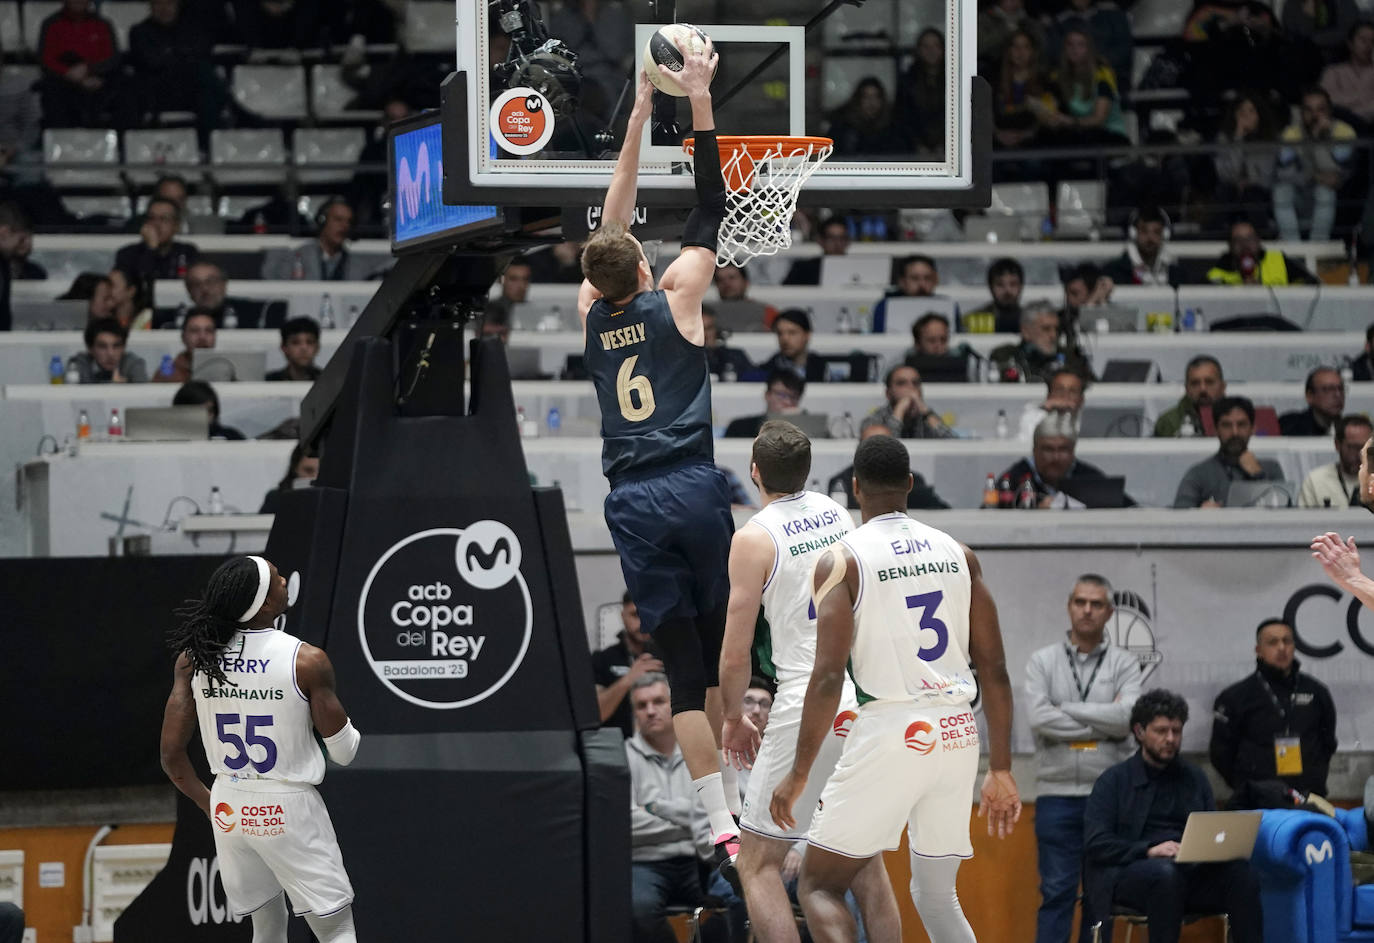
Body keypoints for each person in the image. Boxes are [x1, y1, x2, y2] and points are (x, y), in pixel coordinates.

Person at [576, 44, 742, 884]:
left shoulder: (587, 313)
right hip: (688, 480)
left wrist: (638, 119)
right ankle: (746, 785)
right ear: (644, 266)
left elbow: (612, 222)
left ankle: (719, 821)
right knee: (726, 645)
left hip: (629, 500)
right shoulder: (676, 292)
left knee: (679, 666)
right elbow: (713, 202)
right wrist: (699, 101)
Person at [770, 433, 1021, 943]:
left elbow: (825, 678)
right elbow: (993, 669)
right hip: (957, 733)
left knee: (818, 883)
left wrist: (798, 774)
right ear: (909, 485)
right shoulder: (959, 553)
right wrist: (1001, 768)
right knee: (935, 895)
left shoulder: (842, 560)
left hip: (893, 730)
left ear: (855, 488)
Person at [718, 420, 901, 943]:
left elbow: (735, 653)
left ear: (755, 472)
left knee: (756, 864)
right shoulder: (834, 512)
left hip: (806, 699)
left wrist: (733, 717)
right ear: (808, 470)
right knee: (862, 860)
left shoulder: (753, 539)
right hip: (859, 698)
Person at [159, 556, 360, 943]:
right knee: (337, 929)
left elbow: (171, 755)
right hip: (287, 803)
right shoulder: (306, 660)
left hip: (229, 803)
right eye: (277, 577)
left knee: (266, 928)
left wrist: (210, 804)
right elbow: (345, 752)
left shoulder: (195, 658)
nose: (285, 579)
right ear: (264, 604)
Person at [1082, 689, 1263, 943]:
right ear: (1139, 732)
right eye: (1161, 731)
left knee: (1242, 875)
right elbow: (1096, 843)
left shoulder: (1194, 778)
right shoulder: (1114, 781)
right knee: (1165, 876)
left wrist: (1216, 849)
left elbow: (1210, 831)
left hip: (1186, 871)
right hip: (1130, 874)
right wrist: (1148, 850)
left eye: (1176, 731)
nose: (1170, 739)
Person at [1025, 575, 1142, 943]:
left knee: (1101, 895)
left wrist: (1068, 709)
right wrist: (1102, 718)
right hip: (1056, 795)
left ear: (1109, 612)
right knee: (1057, 892)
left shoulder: (1124, 663)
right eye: (1080, 602)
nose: (1087, 610)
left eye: (1096, 604)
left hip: (1108, 797)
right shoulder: (1042, 661)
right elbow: (1039, 718)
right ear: (1069, 606)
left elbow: (1127, 720)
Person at [626, 672, 740, 943]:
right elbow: (625, 824)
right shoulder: (623, 755)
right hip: (646, 862)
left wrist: (655, 808)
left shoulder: (698, 750)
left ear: (673, 703)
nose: (650, 711)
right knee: (639, 909)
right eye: (642, 706)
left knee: (739, 896)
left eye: (658, 702)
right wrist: (693, 817)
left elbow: (716, 814)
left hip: (699, 860)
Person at [1210, 619, 1338, 810]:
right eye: (1272, 642)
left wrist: (1314, 775)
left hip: (1309, 799)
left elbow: (1328, 742)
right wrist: (1249, 786)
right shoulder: (1235, 697)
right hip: (1258, 803)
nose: (1281, 647)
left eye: (1287, 641)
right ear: (1258, 650)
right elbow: (1221, 753)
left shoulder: (1317, 692)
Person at [127, 0, 225, 140]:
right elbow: (151, 61)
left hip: (189, 89)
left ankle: (210, 142)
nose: (164, 8)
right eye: (159, 4)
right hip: (157, 90)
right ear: (151, 6)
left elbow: (203, 51)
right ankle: (217, 132)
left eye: (169, 3)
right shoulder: (139, 31)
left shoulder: (190, 29)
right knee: (204, 75)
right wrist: (183, 55)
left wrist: (172, 53)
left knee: (206, 92)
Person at [999, 410, 1134, 508]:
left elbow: (1133, 510)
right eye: (1048, 449)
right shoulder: (1012, 480)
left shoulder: (1088, 477)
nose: (1056, 457)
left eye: (1063, 450)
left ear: (1073, 451)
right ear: (1034, 450)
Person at [1274, 86, 1357, 243]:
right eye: (1309, 110)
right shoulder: (1291, 134)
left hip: (1333, 202)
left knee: (1325, 191)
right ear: (1301, 112)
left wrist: (1318, 140)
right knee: (1281, 191)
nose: (1315, 115)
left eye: (1321, 109)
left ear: (1330, 111)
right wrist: (1314, 174)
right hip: (1300, 199)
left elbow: (1336, 175)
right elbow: (1283, 173)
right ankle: (1293, 249)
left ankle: (1318, 248)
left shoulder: (1344, 132)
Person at [1172, 396, 1285, 507]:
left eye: (1241, 425)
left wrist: (1258, 474)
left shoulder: (1271, 469)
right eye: (1227, 425)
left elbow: (1284, 512)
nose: (1235, 432)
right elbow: (1180, 512)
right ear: (1215, 430)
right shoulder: (1198, 473)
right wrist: (1200, 513)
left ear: (1253, 429)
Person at [37, 0, 124, 128]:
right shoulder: (50, 23)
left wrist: (91, 70)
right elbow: (45, 60)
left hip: (98, 79)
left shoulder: (103, 24)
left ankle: (119, 141)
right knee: (51, 91)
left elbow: (113, 58)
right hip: (63, 80)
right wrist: (67, 73)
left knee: (124, 88)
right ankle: (60, 141)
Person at [591, 591, 665, 739]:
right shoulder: (602, 660)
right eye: (636, 615)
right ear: (623, 616)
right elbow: (595, 714)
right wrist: (628, 679)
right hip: (620, 749)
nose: (644, 622)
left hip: (672, 749)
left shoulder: (673, 657)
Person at [827, 425, 949, 511]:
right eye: (871, 446)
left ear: (909, 483)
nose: (878, 453)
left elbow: (939, 511)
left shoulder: (911, 479)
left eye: (885, 445)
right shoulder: (841, 482)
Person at [1043, 27, 1129, 148]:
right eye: (1070, 45)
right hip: (1079, 134)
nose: (1075, 50)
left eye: (1080, 45)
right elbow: (1052, 109)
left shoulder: (1102, 75)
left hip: (1108, 134)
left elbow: (1099, 119)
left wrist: (1069, 121)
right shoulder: (1057, 78)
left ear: (1089, 49)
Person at [1212, 94, 1279, 219]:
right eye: (1241, 111)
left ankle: (1263, 235)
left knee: (1252, 195)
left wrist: (1246, 182)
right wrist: (1238, 137)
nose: (1246, 116)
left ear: (1259, 115)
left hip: (1259, 192)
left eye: (1251, 111)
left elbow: (1265, 177)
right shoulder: (1224, 138)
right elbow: (1225, 174)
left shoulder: (1268, 140)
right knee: (1225, 192)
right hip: (1232, 189)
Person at [267, 200, 366, 281]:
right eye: (338, 219)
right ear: (322, 221)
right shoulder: (299, 256)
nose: (345, 226)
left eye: (349, 222)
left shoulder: (356, 264)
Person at [157, 261, 273, 329]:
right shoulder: (176, 322)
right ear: (189, 291)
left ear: (224, 285)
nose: (204, 289)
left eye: (211, 281)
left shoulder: (253, 313)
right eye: (196, 284)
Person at [989, 305, 1084, 385]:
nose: (1053, 335)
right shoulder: (1004, 355)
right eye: (1046, 329)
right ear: (1026, 331)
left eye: (1056, 329)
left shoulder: (1070, 357)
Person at [1206, 218, 1318, 286]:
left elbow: (1311, 282)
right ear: (1230, 245)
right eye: (1238, 240)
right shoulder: (1219, 269)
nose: (1245, 245)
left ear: (1258, 241)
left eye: (1250, 239)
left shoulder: (1278, 259)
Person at [115, 197, 200, 282]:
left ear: (176, 226)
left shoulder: (188, 252)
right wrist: (151, 249)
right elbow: (141, 285)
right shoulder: (127, 254)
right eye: (152, 218)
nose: (156, 224)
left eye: (164, 218)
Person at [1100, 206, 1183, 287]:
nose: (1150, 238)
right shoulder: (1113, 272)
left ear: (1165, 235)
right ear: (1134, 233)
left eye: (1156, 232)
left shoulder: (1176, 274)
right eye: (1144, 231)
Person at [825, 77, 911, 156]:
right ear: (858, 100)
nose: (871, 102)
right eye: (866, 97)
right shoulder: (843, 128)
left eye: (875, 97)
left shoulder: (895, 129)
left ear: (882, 100)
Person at [1300, 414, 1373, 507]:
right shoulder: (1316, 481)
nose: (1360, 454)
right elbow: (1302, 520)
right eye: (1353, 447)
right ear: (1337, 445)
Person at [864, 365, 954, 439]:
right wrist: (899, 412)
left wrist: (926, 412)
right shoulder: (875, 419)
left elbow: (953, 445)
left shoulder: (928, 417)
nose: (910, 388)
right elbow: (885, 451)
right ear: (888, 393)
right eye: (901, 383)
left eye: (915, 383)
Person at [897, 28, 947, 157]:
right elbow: (902, 118)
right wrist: (918, 146)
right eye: (926, 46)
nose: (931, 51)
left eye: (936, 46)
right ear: (918, 50)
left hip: (949, 151)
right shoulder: (908, 81)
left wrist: (945, 145)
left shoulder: (954, 80)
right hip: (913, 151)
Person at [872, 255, 951, 334]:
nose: (922, 284)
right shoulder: (884, 307)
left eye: (927, 278)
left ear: (935, 280)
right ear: (902, 281)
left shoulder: (948, 306)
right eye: (915, 278)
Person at [1153, 355, 1226, 438]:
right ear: (1186, 388)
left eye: (1209, 382)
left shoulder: (1238, 419)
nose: (1203, 389)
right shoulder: (1168, 422)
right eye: (1195, 383)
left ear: (1222, 386)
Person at [724, 369, 808, 439]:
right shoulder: (739, 428)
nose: (788, 402)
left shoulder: (805, 430)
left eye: (793, 397)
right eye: (782, 395)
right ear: (767, 395)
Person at [1322, 21, 1374, 129]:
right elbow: (1325, 100)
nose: (1368, 46)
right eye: (1363, 40)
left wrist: (1354, 111)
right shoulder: (1333, 71)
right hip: (1340, 127)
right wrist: (1361, 98)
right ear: (1350, 44)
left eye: (1372, 41)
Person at [67, 317, 149, 383]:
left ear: (124, 347)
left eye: (116, 346)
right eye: (102, 346)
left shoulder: (133, 364)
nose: (110, 354)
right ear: (90, 349)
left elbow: (145, 399)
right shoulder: (78, 365)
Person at [757, 310, 829, 383]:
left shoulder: (821, 365)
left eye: (792, 333)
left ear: (807, 335)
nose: (785, 339)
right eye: (780, 333)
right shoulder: (765, 371)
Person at [1015, 366, 1086, 441]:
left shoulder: (1091, 420)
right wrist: (1045, 411)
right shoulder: (1032, 416)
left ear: (1081, 398)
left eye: (1072, 391)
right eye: (1059, 390)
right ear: (1049, 395)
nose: (1065, 395)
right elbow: (1024, 444)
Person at [154, 307, 217, 383]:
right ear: (183, 337)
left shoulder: (227, 369)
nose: (202, 337)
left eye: (208, 330)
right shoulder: (167, 374)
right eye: (195, 330)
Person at [1279, 366, 1346, 436]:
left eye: (1341, 388)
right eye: (1329, 389)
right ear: (1309, 396)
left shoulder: (1349, 429)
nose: (1338, 394)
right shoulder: (1290, 426)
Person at [783, 218, 849, 286]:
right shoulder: (803, 270)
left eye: (842, 238)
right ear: (820, 240)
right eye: (831, 238)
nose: (837, 243)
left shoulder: (855, 267)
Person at [712, 264, 777, 333]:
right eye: (720, 279)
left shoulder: (767, 312)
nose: (726, 283)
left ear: (746, 282)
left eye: (732, 278)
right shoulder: (704, 313)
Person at [964, 257, 1024, 334]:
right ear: (991, 287)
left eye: (1013, 284)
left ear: (1020, 286)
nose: (1007, 290)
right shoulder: (974, 319)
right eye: (1000, 284)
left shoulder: (1031, 320)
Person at [173, 379, 245, 440]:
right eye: (198, 412)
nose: (205, 417)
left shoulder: (231, 437)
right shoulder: (169, 440)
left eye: (209, 411)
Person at [258, 442, 319, 513]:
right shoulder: (275, 498)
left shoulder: (333, 500)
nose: (315, 477)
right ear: (295, 468)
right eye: (308, 471)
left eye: (322, 471)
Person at [701, 308, 753, 381]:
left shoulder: (735, 356)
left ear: (717, 330)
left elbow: (754, 378)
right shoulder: (684, 358)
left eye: (709, 328)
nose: (704, 333)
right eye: (700, 328)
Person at [266, 317, 323, 382]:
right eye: (296, 342)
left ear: (317, 347)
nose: (304, 348)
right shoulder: (270, 381)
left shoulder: (328, 380)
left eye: (309, 342)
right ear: (284, 347)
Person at [484, 257, 532, 323]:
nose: (521, 285)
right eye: (513, 279)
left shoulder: (535, 311)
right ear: (501, 280)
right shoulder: (487, 312)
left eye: (525, 279)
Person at [109, 266, 154, 331]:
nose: (107, 290)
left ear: (131, 291)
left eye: (112, 285)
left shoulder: (146, 319)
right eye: (107, 285)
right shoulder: (103, 318)